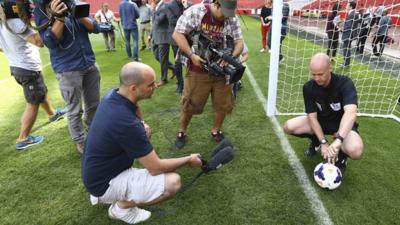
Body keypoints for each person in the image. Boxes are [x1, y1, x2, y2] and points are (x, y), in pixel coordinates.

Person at [82, 62, 202, 224]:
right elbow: (156, 168)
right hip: (104, 183)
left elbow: (134, 106)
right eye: (150, 84)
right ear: (133, 88)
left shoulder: (114, 95)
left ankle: (118, 194)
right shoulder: (126, 123)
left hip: (97, 173)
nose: (156, 86)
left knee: (144, 132)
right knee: (173, 182)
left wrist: (142, 123)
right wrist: (188, 159)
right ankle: (121, 208)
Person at [172, 0, 244, 148]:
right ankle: (182, 131)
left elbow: (239, 42)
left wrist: (230, 58)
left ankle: (216, 130)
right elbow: (177, 34)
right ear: (216, 4)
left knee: (222, 104)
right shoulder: (196, 12)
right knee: (190, 103)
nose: (226, 16)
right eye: (224, 12)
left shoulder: (231, 18)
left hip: (222, 72)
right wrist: (192, 55)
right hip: (197, 69)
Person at [34, 0, 101, 154]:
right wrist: (60, 17)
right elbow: (50, 41)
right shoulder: (42, 10)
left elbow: (95, 27)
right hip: (67, 69)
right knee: (74, 109)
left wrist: (78, 13)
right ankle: (80, 141)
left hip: (89, 63)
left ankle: (94, 132)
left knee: (93, 104)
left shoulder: (74, 2)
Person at [283, 53, 364, 173]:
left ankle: (341, 155)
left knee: (356, 151)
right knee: (288, 126)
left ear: (330, 68)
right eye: (313, 74)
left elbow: (351, 113)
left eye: (320, 74)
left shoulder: (344, 83)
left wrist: (339, 140)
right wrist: (323, 142)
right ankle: (316, 141)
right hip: (321, 122)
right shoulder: (308, 87)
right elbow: (312, 117)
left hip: (341, 125)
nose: (316, 78)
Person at [0, 8, 65, 150]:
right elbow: (39, 41)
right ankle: (23, 138)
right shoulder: (14, 21)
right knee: (33, 102)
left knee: (40, 92)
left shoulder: (2, 23)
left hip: (17, 66)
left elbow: (1, 48)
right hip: (26, 67)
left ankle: (52, 114)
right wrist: (51, 22)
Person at [151, 0, 173, 86]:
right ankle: (173, 68)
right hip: (156, 36)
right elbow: (154, 23)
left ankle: (164, 79)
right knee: (157, 56)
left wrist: (153, 10)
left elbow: (157, 21)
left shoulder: (165, 7)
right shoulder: (157, 6)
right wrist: (151, 35)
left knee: (163, 59)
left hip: (164, 37)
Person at [165, 0, 185, 94]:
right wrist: (186, 18)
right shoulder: (169, 6)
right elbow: (172, 21)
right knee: (178, 62)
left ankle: (192, 84)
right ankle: (180, 84)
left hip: (188, 36)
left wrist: (186, 8)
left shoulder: (188, 5)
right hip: (175, 37)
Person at [341, 1, 360, 67]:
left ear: (351, 6)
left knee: (346, 48)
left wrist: (341, 29)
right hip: (351, 33)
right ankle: (346, 62)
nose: (346, 6)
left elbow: (349, 25)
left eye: (347, 5)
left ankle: (346, 63)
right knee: (347, 48)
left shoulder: (352, 14)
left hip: (348, 33)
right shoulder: (354, 13)